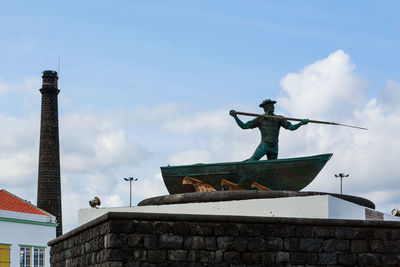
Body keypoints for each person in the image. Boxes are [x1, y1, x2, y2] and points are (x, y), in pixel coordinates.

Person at [230, 99, 309, 161]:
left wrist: (301, 123)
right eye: (272, 105)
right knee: (253, 161)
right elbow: (244, 126)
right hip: (264, 145)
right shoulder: (260, 119)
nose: (274, 107)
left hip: (274, 146)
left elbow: (291, 128)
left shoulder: (279, 118)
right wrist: (235, 117)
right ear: (267, 107)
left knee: (273, 166)